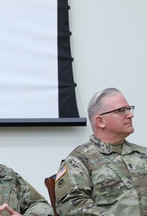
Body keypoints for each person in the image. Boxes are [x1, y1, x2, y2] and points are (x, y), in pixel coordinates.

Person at [55, 87, 147, 215]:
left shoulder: (143, 154)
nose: (130, 115)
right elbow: (72, 206)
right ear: (100, 121)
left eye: (129, 109)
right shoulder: (79, 160)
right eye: (121, 111)